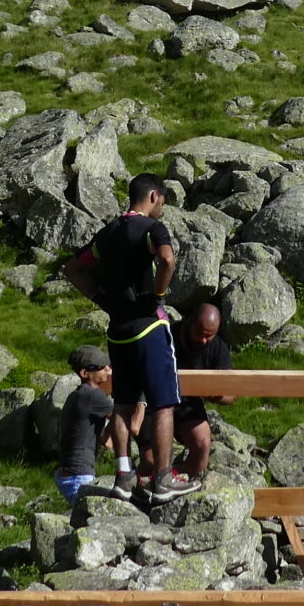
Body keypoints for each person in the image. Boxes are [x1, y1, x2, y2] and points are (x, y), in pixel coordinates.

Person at [80, 174, 185, 499]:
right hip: (149, 327)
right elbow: (166, 258)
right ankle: (163, 478)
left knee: (123, 405)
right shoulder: (153, 229)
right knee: (164, 404)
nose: (162, 207)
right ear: (153, 196)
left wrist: (101, 299)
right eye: (162, 200)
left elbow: (73, 269)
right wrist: (158, 294)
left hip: (118, 331)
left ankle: (123, 477)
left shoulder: (108, 232)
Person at [172, 300, 231, 487]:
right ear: (191, 322)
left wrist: (217, 395)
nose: (204, 340)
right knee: (150, 458)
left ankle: (188, 484)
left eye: (209, 335)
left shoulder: (219, 348)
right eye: (201, 333)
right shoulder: (168, 335)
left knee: (203, 443)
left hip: (188, 402)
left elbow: (232, 393)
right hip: (156, 400)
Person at [55, 347, 120, 513]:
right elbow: (123, 419)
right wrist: (141, 400)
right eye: (101, 367)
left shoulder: (78, 394)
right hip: (78, 475)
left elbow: (113, 422)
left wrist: (108, 433)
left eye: (109, 365)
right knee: (90, 519)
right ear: (85, 373)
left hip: (70, 472)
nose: (108, 369)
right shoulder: (93, 395)